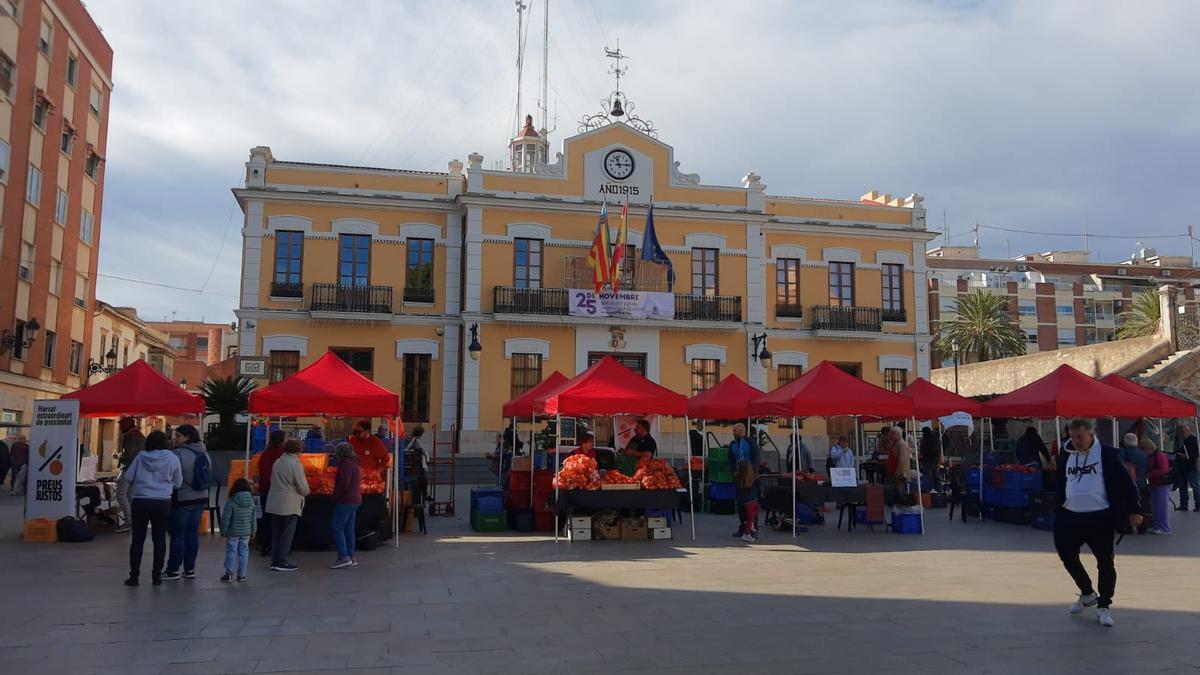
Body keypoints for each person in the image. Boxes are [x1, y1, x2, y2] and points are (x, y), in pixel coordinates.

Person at [1054, 417, 1141, 627]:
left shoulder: (1107, 454)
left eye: (1080, 437)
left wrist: (1134, 510)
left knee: (1104, 561)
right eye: (1073, 437)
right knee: (1065, 553)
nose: (1076, 441)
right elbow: (1061, 480)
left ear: (1091, 435)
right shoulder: (1066, 453)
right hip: (1070, 514)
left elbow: (1126, 483)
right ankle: (1087, 592)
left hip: (1099, 515)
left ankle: (1104, 606)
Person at [122, 431, 182, 586]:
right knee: (159, 539)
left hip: (141, 501)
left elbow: (128, 477)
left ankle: (134, 576)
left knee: (138, 539)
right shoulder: (173, 458)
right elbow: (178, 482)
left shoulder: (141, 457)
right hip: (163, 502)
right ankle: (156, 576)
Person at [163, 424, 210, 581]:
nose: (175, 439)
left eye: (178, 436)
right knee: (192, 534)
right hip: (201, 497)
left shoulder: (177, 454)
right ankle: (190, 569)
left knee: (178, 534)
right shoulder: (205, 453)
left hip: (182, 498)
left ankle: (173, 569)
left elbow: (170, 475)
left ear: (187, 437)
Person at [266, 440, 309, 572]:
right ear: (298, 451)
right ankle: (282, 560)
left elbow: (271, 479)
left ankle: (275, 559)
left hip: (274, 501)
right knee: (287, 533)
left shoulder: (278, 462)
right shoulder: (296, 465)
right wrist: (307, 491)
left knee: (277, 533)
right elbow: (302, 486)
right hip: (289, 503)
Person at [255, 430, 287, 556]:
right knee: (279, 520)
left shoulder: (265, 454)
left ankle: (264, 544)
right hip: (277, 491)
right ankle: (277, 546)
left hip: (265, 489)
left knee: (266, 518)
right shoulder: (281, 455)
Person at [112, 417, 146, 533]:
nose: (120, 427)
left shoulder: (130, 435)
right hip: (138, 468)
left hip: (129, 468)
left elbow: (130, 453)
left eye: (121, 425)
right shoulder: (138, 434)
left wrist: (119, 456)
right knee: (130, 495)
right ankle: (134, 519)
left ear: (126, 425)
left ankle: (129, 520)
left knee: (121, 493)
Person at [219, 478, 257, 583]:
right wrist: (253, 531)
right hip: (246, 533)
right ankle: (242, 575)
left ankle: (229, 574)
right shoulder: (251, 502)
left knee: (231, 552)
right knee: (244, 553)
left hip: (233, 533)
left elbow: (226, 519)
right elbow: (253, 519)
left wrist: (223, 531)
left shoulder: (231, 502)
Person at [331, 443, 361, 569]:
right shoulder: (355, 463)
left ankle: (343, 556)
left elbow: (345, 483)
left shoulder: (345, 465)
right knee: (349, 528)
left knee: (337, 527)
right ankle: (351, 555)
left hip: (346, 499)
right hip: (355, 498)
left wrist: (336, 495)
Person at [1144, 438, 1172, 535]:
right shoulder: (1153, 456)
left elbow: (1164, 470)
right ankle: (1158, 525)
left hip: (1162, 483)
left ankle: (1164, 527)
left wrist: (1151, 474)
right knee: (1156, 505)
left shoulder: (1159, 455)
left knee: (1161, 506)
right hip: (1155, 483)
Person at [1176, 423, 1199, 512]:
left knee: (1195, 486)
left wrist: (1188, 455)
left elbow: (1197, 452)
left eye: (1182, 431)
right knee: (1182, 486)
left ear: (1187, 430)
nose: (1181, 433)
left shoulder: (1194, 439)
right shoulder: (1179, 441)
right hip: (1181, 466)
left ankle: (1198, 504)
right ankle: (1183, 504)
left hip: (1191, 466)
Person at [734, 460, 760, 543]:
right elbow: (758, 487)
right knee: (751, 518)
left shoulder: (737, 477)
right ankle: (747, 533)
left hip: (742, 501)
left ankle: (749, 527)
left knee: (746, 517)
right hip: (751, 500)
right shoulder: (753, 477)